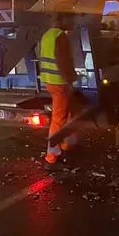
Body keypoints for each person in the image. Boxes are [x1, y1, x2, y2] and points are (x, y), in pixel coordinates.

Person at [37, 14, 79, 170]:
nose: (73, 21)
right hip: (59, 82)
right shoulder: (60, 36)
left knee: (66, 115)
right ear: (62, 20)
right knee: (58, 120)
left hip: (50, 81)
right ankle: (51, 158)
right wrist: (71, 80)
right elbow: (64, 61)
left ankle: (64, 148)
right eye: (70, 18)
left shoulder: (47, 35)